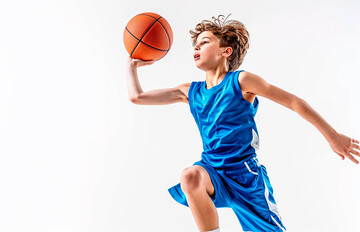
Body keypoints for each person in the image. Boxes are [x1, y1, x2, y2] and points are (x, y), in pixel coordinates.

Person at [125, 14, 360, 232]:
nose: (197, 47)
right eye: (195, 45)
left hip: (246, 177)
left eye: (205, 42)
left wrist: (333, 136)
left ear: (226, 51)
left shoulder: (241, 81)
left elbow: (294, 102)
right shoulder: (190, 91)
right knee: (190, 176)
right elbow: (137, 97)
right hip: (212, 172)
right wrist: (131, 67)